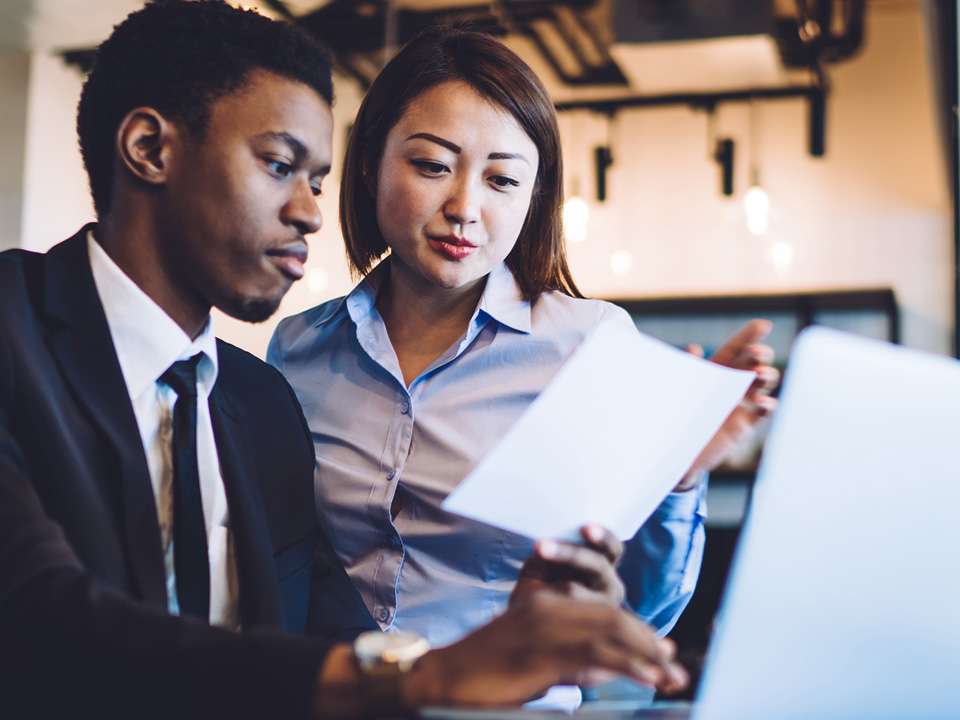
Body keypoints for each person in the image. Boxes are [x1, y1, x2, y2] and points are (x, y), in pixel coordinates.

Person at [0, 2, 688, 718]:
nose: (309, 214)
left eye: (316, 182)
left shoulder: (256, 399)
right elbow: (38, 614)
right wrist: (424, 679)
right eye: (278, 166)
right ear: (149, 148)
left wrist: (498, 647)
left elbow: (325, 622)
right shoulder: (23, 331)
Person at [269, 24, 779, 655]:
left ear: (534, 197)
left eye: (502, 181)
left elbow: (639, 615)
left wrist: (675, 479)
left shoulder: (589, 347)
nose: (464, 206)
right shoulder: (298, 349)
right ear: (370, 164)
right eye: (432, 165)